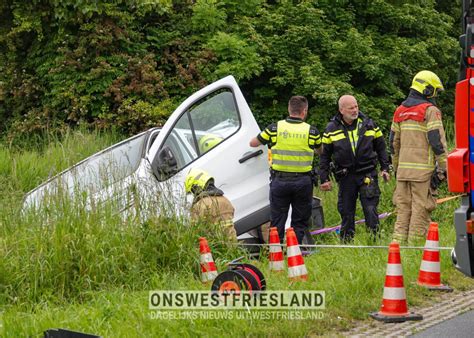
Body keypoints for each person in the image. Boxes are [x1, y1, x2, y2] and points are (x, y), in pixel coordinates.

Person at [249, 96, 322, 244]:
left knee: (277, 219)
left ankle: (276, 253)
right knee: (299, 220)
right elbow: (320, 151)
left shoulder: (275, 128)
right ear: (304, 111)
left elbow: (253, 143)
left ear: (289, 109)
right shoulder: (312, 131)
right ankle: (294, 251)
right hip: (303, 182)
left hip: (280, 181)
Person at [319, 95, 390, 242]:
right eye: (351, 108)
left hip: (367, 173)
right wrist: (324, 178)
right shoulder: (331, 128)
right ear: (341, 110)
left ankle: (374, 241)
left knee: (370, 209)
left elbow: (382, 148)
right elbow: (325, 156)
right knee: (346, 211)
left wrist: (385, 168)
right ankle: (346, 243)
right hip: (346, 176)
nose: (355, 110)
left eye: (356, 106)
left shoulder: (369, 124)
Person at [390, 70, 447, 244]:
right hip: (423, 174)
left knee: (403, 212)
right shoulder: (430, 111)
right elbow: (437, 143)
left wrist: (397, 168)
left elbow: (393, 144)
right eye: (435, 91)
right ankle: (414, 251)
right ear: (427, 89)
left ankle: (397, 250)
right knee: (420, 212)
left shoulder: (399, 111)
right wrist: (444, 169)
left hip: (403, 173)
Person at [185, 168, 237, 241]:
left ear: (196, 187)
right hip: (233, 247)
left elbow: (195, 233)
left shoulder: (200, 205)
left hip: (214, 249)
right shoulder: (225, 200)